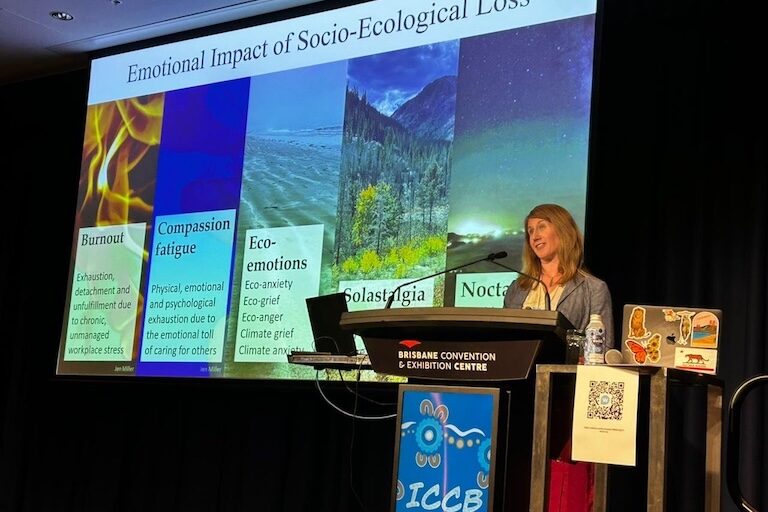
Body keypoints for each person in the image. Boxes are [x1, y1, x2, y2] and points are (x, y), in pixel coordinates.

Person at [503, 203, 614, 347]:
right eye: (530, 231)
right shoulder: (517, 288)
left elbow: (604, 349)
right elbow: (504, 342)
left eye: (541, 227)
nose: (535, 236)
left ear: (563, 231)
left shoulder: (593, 289)